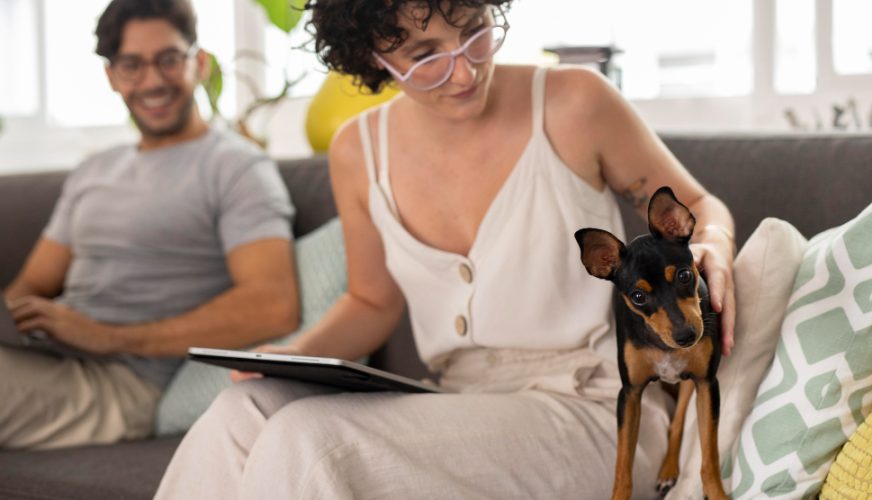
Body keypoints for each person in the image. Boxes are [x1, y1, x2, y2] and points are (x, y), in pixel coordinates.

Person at [156, 1, 736, 498]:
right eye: (425, 55)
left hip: (594, 410)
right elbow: (370, 302)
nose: (464, 70)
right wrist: (291, 357)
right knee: (240, 412)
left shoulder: (573, 103)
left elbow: (697, 204)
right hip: (453, 407)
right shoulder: (359, 150)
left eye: (475, 32)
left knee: (310, 439)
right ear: (374, 58)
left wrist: (712, 242)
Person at [0, 0, 299, 450]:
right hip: (42, 357)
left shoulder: (237, 167)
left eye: (169, 59)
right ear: (111, 76)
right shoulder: (93, 171)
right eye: (132, 65)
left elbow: (273, 305)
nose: (153, 80)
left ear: (199, 63)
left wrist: (106, 337)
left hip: (122, 382)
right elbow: (32, 284)